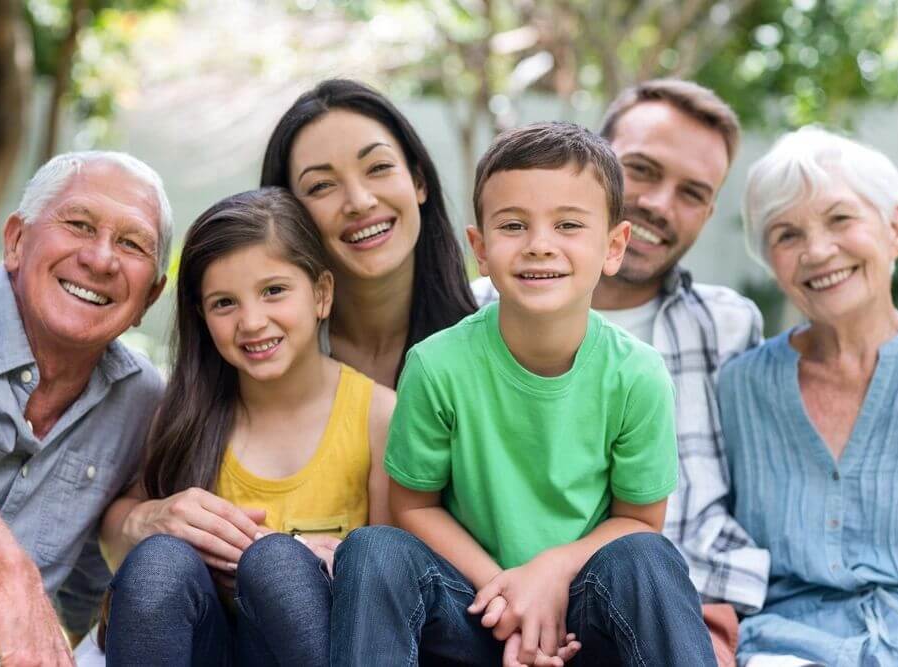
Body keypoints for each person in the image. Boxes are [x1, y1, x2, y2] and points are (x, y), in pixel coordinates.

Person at [330, 122, 717, 666]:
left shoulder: (637, 375)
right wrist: (508, 591)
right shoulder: (437, 365)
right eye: (514, 225)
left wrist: (550, 573)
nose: (540, 245)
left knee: (646, 558)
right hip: (473, 603)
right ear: (481, 249)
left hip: (584, 607)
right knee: (373, 550)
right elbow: (413, 505)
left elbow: (638, 521)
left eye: (567, 225)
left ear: (613, 246)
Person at [473, 79, 770, 664]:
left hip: (683, 602)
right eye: (643, 170)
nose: (661, 203)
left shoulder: (730, 326)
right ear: (596, 158)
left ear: (709, 213)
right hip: (506, 603)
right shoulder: (473, 314)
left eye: (692, 193)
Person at [100, 188, 395, 666]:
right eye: (224, 303)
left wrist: (337, 566)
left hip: (318, 649)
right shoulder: (183, 411)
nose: (252, 322)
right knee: (158, 564)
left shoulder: (379, 415)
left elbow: (397, 587)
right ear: (201, 315)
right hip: (208, 648)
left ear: (321, 294)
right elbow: (117, 535)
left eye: (274, 291)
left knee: (277, 566)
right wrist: (150, 518)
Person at [0, 151, 170, 666]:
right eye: (78, 224)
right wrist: (12, 573)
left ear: (151, 296)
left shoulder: (140, 403)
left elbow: (96, 590)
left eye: (131, 243)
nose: (100, 259)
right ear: (16, 241)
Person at [719, 127, 898, 667]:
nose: (818, 251)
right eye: (786, 235)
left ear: (896, 228)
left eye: (840, 219)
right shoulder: (740, 388)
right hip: (787, 648)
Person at [260, 78, 477, 388]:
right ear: (289, 215)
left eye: (378, 168)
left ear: (418, 181)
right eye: (321, 185)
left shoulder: (500, 330)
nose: (360, 202)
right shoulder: (262, 357)